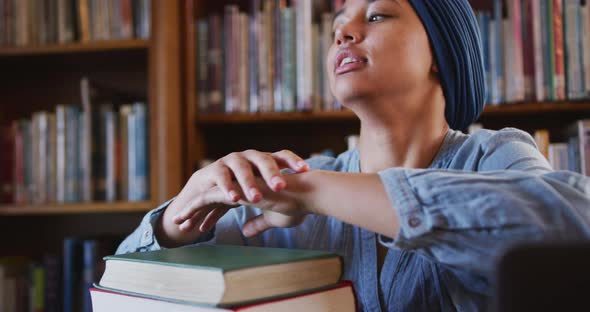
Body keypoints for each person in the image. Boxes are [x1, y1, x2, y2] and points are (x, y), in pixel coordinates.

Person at [117, 0, 590, 310]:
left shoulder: (494, 155)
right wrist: (175, 220)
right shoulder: (285, 193)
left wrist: (309, 190)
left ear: (441, 53)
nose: (343, 34)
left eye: (377, 15)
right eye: (337, 27)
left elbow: (575, 226)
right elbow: (126, 293)